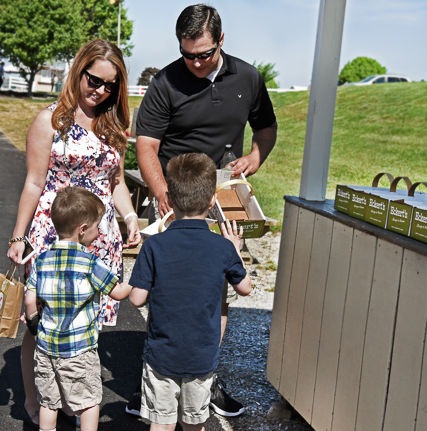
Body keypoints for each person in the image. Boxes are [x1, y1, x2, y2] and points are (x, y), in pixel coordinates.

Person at [130, 3, 278, 417]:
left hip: (223, 190)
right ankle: (156, 381)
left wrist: (254, 157)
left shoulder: (247, 77)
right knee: (167, 284)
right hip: (176, 189)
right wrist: (162, 191)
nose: (194, 62)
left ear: (222, 41)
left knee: (216, 288)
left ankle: (205, 381)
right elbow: (147, 146)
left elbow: (266, 126)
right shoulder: (165, 81)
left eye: (204, 54)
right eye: (187, 53)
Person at [7, 38, 141, 427]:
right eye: (93, 80)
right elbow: (33, 182)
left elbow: (115, 182)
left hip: (99, 237)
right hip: (54, 233)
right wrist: (19, 236)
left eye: (109, 86)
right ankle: (36, 397)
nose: (100, 91)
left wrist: (130, 217)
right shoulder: (50, 119)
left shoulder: (115, 124)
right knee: (41, 323)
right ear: (78, 70)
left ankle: (71, 397)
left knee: (85, 322)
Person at [127, 153, 252, 431]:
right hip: (201, 357)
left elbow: (136, 299)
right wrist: (235, 248)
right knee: (195, 424)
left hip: (161, 355)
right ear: (212, 201)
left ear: (169, 200)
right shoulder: (222, 248)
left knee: (161, 424)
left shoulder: (154, 246)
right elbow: (245, 288)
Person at [24, 187, 133, 431]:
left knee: (49, 402)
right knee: (88, 402)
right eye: (97, 225)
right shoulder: (90, 263)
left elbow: (30, 300)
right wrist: (139, 278)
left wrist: (34, 327)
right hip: (80, 350)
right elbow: (118, 292)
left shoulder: (41, 260)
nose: (100, 231)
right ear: (82, 229)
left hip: (46, 348)